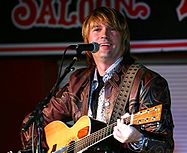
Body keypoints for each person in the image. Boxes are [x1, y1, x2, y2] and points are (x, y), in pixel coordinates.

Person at [20, 7, 174, 153]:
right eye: (97, 29)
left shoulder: (147, 82)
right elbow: (32, 125)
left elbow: (165, 147)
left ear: (124, 38)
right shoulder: (77, 82)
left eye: (112, 29)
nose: (104, 35)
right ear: (87, 39)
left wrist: (137, 139)